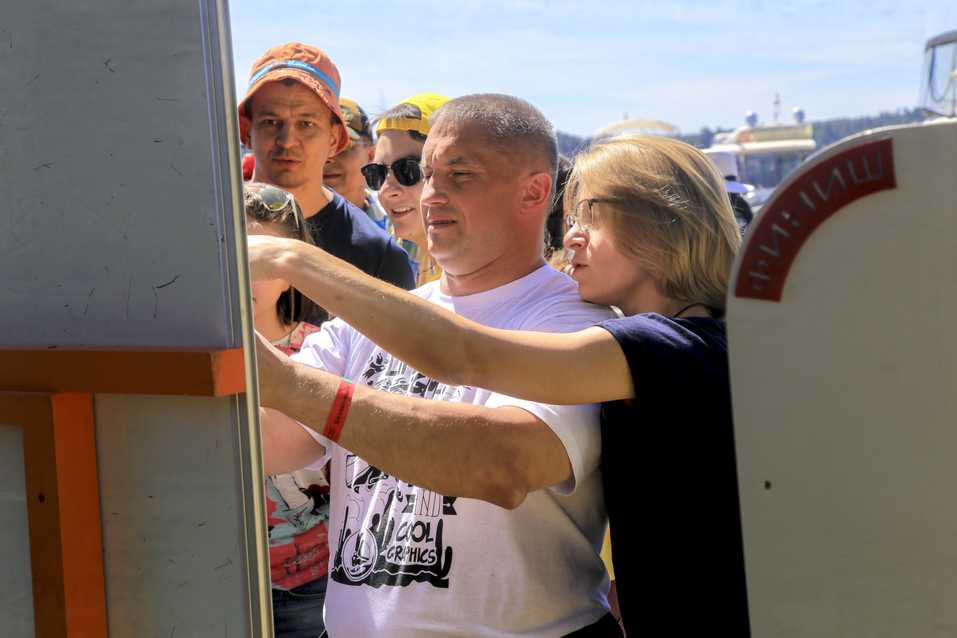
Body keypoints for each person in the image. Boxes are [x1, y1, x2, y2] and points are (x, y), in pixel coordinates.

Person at [249, 135, 750, 636]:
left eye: (591, 215)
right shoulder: (706, 341)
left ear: (660, 221)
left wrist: (293, 262)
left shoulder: (668, 346)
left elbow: (463, 356)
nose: (572, 236)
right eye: (571, 217)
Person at [254, 94, 621, 637]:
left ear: (534, 190)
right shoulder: (382, 316)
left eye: (460, 174)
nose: (431, 193)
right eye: (426, 174)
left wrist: (292, 372)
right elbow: (273, 441)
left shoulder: (577, 321)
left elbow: (502, 463)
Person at [238, 41, 415, 326]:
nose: (287, 141)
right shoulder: (207, 234)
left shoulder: (377, 258)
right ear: (247, 131)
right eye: (271, 122)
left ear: (334, 139)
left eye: (306, 124)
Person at [243, 183, 330, 637]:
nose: (243, 272)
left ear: (294, 269)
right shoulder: (192, 357)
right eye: (232, 251)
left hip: (309, 583)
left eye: (261, 259)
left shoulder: (324, 349)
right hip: (217, 575)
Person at [366, 92, 449, 285]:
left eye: (407, 170)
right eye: (377, 173)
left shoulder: (491, 264)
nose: (387, 189)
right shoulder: (399, 250)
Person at [322, 97, 388, 226]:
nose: (328, 158)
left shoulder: (399, 227)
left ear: (370, 155)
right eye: (320, 147)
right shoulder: (280, 223)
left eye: (343, 147)